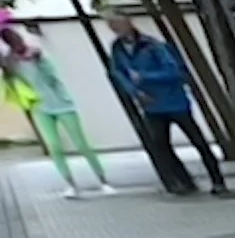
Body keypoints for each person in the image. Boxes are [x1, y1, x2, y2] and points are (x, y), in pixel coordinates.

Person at [103, 17, 220, 196]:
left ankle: (217, 180)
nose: (116, 29)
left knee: (198, 142)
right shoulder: (118, 48)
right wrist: (135, 92)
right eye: (112, 26)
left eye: (118, 24)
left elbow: (174, 72)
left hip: (174, 102)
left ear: (129, 23)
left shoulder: (153, 45)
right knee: (160, 145)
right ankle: (184, 182)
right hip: (151, 105)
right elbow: (118, 72)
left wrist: (145, 77)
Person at [3, 20, 109, 197]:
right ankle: (70, 184)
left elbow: (52, 76)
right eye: (11, 40)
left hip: (61, 103)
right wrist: (8, 67)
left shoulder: (36, 53)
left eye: (17, 38)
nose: (17, 42)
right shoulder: (10, 63)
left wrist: (37, 61)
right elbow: (11, 84)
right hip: (39, 106)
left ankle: (103, 180)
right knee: (54, 146)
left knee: (82, 144)